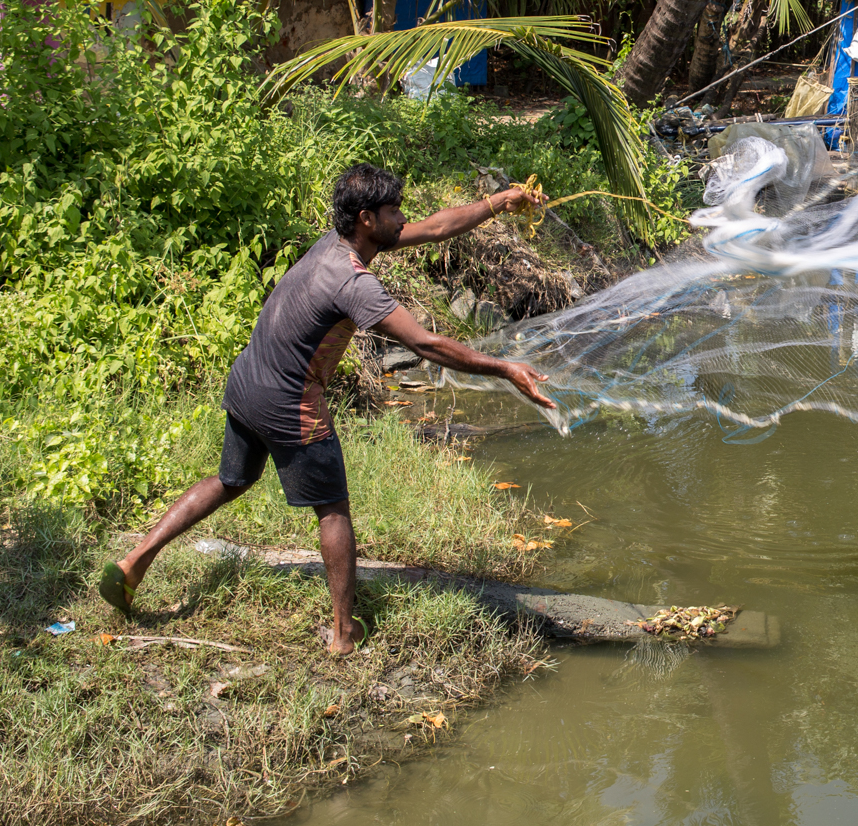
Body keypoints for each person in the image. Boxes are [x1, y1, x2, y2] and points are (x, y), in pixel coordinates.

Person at [99, 163, 557, 653]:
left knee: (231, 480)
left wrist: (499, 202)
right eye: (393, 211)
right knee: (333, 510)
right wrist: (506, 368)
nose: (403, 219)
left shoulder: (334, 244)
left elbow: (435, 227)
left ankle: (134, 562)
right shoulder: (352, 282)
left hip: (248, 380)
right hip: (287, 402)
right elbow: (425, 344)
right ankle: (343, 633)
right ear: (366, 218)